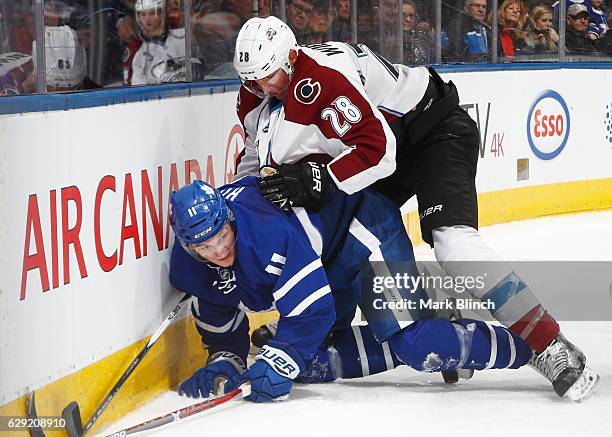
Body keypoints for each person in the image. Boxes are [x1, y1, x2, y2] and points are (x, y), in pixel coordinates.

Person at [231, 15, 599, 401]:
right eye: (250, 78)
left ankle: (548, 344)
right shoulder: (257, 93)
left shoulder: (322, 79)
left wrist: (317, 178)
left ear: (290, 57)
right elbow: (257, 161)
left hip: (431, 130)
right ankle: (371, 323)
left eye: (267, 75)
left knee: (454, 245)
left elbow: (377, 153)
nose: (259, 86)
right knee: (338, 238)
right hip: (385, 145)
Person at [169, 178, 538, 402]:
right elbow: (218, 307)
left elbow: (313, 311)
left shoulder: (264, 236)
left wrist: (281, 357)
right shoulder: (192, 260)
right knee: (310, 363)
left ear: (229, 219)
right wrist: (226, 359)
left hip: (365, 233)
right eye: (205, 247)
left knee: (416, 343)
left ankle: (530, 348)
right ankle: (450, 339)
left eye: (221, 236)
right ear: (188, 246)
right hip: (324, 258)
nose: (218, 251)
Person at [124, 0, 187, 85]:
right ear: (138, 16)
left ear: (162, 14)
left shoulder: (181, 35)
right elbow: (133, 87)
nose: (147, 19)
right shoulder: (135, 47)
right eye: (143, 14)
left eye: (152, 13)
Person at [33, 25, 102, 92]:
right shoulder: (27, 91)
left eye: (73, 88)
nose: (66, 92)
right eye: (58, 88)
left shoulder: (96, 92)